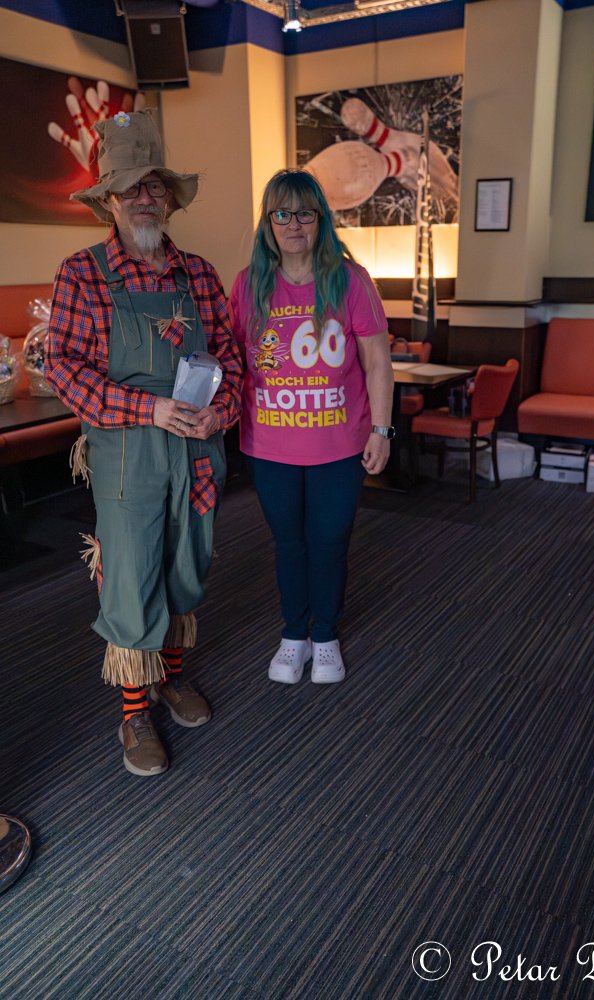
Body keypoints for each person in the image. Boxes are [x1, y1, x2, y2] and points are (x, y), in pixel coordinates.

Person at [45, 110, 243, 776]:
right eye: (128, 187)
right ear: (108, 199)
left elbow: (231, 360)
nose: (142, 197)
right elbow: (63, 367)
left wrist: (220, 414)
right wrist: (148, 407)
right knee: (131, 574)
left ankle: (170, 677)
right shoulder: (83, 274)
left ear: (168, 196)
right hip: (127, 449)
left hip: (197, 447)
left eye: (153, 184)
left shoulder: (199, 275)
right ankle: (134, 712)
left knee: (188, 563)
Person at [229, 169, 394, 685]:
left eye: (305, 212)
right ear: (268, 222)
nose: (294, 224)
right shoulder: (248, 284)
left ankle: (324, 634)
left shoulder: (350, 280)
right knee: (288, 543)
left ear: (321, 219)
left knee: (329, 541)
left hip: (339, 444)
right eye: (282, 213)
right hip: (269, 444)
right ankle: (292, 634)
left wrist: (382, 430)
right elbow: (232, 361)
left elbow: (378, 363)